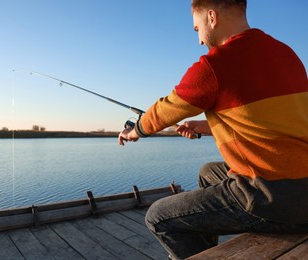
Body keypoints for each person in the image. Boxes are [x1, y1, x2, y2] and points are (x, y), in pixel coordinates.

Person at [118, 0, 308, 259]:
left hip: (273, 197)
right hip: (302, 187)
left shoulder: (214, 66)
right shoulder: (287, 54)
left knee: (159, 218)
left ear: (211, 17)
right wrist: (206, 126)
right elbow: (269, 122)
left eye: (196, 29)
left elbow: (166, 109)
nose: (198, 39)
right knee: (208, 173)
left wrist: (135, 131)